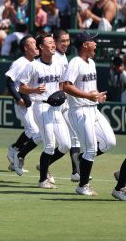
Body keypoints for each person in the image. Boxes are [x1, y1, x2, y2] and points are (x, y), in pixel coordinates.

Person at [62, 31, 116, 196]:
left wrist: (98, 95)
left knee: (109, 142)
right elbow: (66, 86)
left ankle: (82, 159)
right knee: (91, 149)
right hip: (79, 111)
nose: (96, 44)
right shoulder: (75, 62)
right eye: (93, 41)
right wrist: (88, 96)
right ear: (85, 44)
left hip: (93, 109)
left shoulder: (91, 62)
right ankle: (82, 185)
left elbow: (89, 88)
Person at [19, 33, 71, 189]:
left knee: (65, 145)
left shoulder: (59, 64)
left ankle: (43, 166)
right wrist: (34, 89)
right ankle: (42, 180)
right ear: (41, 47)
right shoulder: (33, 65)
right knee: (49, 145)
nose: (53, 45)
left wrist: (62, 94)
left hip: (56, 108)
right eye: (49, 43)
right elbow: (21, 87)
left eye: (53, 42)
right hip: (41, 106)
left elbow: (62, 84)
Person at [5, 35, 42, 174]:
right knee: (34, 131)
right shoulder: (19, 62)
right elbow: (9, 82)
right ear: (26, 47)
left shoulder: (35, 62)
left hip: (32, 101)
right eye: (32, 43)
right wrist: (17, 98)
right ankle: (15, 153)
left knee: (34, 130)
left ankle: (14, 151)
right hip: (22, 102)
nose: (36, 45)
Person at [52, 30, 81, 182]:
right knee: (51, 141)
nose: (66, 44)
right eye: (62, 41)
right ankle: (21, 155)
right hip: (54, 105)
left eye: (67, 40)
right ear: (55, 41)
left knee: (73, 137)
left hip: (65, 102)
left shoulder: (63, 56)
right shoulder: (54, 57)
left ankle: (76, 172)